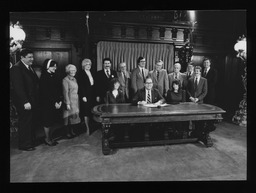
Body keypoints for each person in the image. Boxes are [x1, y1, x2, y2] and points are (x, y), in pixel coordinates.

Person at [10, 48, 40, 151]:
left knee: (31, 121)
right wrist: (25, 102)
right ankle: (24, 145)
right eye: (29, 57)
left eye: (32, 57)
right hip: (24, 102)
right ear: (22, 57)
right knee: (25, 122)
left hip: (31, 100)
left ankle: (30, 141)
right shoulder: (16, 68)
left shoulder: (29, 67)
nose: (32, 59)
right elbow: (18, 88)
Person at [39, 59, 62, 146]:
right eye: (53, 66)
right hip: (47, 103)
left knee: (51, 121)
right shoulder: (44, 77)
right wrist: (54, 103)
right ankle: (47, 139)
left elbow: (59, 90)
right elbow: (45, 93)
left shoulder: (55, 76)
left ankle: (50, 137)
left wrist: (59, 101)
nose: (55, 68)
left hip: (55, 102)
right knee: (47, 121)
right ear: (48, 66)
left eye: (56, 66)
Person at [77, 58, 95, 136]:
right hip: (85, 95)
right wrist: (83, 96)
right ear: (83, 65)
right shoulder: (81, 74)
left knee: (91, 110)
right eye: (86, 64)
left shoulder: (92, 72)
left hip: (92, 94)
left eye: (89, 64)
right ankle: (87, 128)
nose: (88, 66)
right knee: (86, 112)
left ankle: (91, 126)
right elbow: (80, 86)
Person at [62, 64, 81, 138]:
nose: (73, 72)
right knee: (67, 117)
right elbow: (65, 92)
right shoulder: (65, 80)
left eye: (74, 70)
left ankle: (72, 131)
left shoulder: (74, 79)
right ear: (68, 71)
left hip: (75, 101)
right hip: (69, 101)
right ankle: (66, 133)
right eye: (71, 70)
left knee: (73, 117)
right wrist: (67, 103)